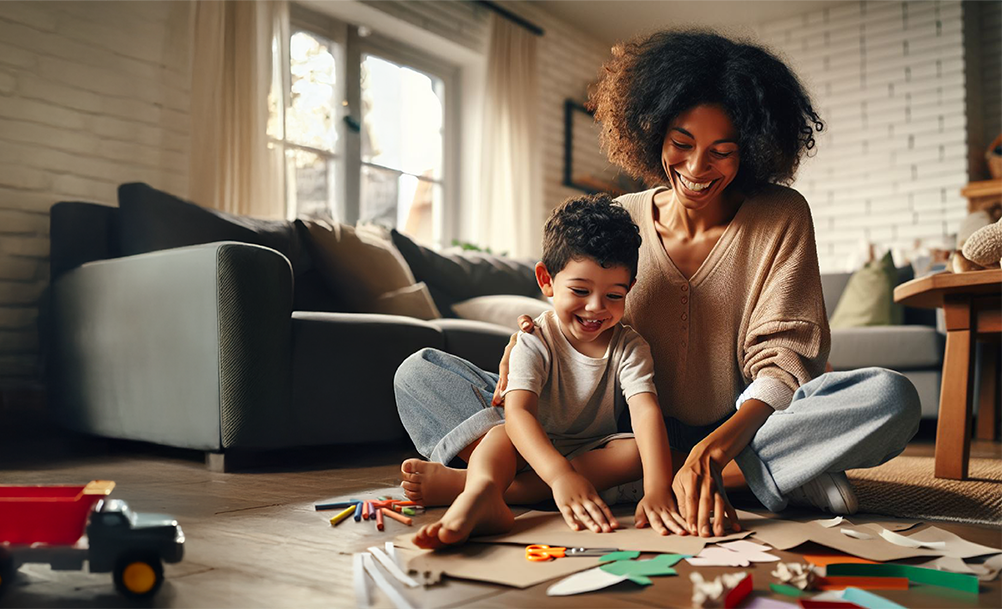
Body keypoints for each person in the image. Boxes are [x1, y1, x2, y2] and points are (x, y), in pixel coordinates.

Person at [395, 29, 921, 539]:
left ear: (755, 149)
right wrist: (531, 341)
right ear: (652, 134)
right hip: (614, 433)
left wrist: (712, 451)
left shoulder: (781, 216)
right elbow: (576, 315)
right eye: (682, 143)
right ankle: (768, 478)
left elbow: (786, 356)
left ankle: (518, 487)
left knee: (889, 397)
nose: (696, 167)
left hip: (733, 430)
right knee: (421, 373)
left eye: (723, 150)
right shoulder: (622, 217)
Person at [411, 195, 684, 549]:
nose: (596, 308)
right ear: (546, 280)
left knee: (635, 453)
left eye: (614, 295)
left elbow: (645, 411)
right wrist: (559, 476)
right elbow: (519, 413)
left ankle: (480, 485)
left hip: (588, 451)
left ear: (630, 288)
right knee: (497, 428)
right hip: (528, 445)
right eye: (580, 291)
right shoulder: (534, 339)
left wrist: (657, 488)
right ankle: (480, 492)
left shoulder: (630, 347)